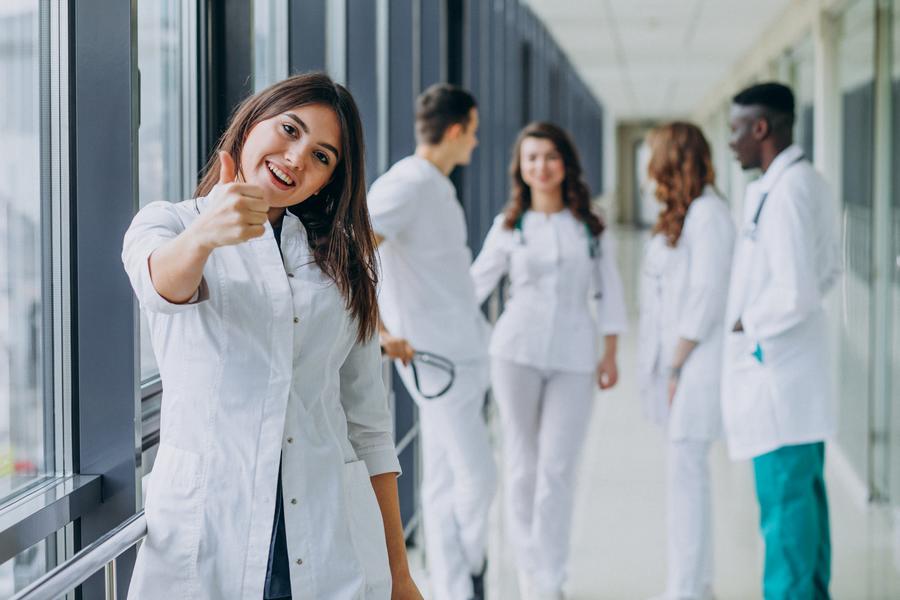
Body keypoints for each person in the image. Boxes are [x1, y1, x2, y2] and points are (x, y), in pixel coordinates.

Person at [122, 72, 421, 600]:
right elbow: (160, 284)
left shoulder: (342, 264)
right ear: (251, 123)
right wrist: (205, 236)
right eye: (289, 129)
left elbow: (369, 428)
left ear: (328, 180)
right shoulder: (168, 223)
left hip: (325, 536)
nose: (298, 156)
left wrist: (400, 576)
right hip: (211, 531)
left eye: (323, 156)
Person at [470, 122, 626, 600]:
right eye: (531, 157)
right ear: (520, 166)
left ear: (566, 164)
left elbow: (611, 293)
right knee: (521, 466)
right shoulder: (509, 225)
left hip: (576, 356)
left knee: (557, 469)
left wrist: (611, 353)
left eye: (550, 156)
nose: (541, 166)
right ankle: (529, 573)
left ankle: (551, 580)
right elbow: (473, 287)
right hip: (515, 352)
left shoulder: (590, 225)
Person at [367, 83, 496, 600]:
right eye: (475, 132)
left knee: (444, 484)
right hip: (436, 361)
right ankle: (472, 566)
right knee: (480, 477)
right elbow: (354, 250)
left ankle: (455, 588)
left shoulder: (436, 185)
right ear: (458, 128)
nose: (477, 144)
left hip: (461, 353)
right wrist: (379, 332)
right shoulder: (407, 184)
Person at [723, 82, 840, 599]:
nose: (732, 143)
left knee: (787, 518)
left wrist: (747, 323)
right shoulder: (799, 182)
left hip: (780, 386)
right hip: (792, 380)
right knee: (803, 511)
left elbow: (796, 291)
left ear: (761, 128)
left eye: (736, 130)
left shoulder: (789, 189)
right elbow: (829, 271)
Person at [638, 122, 735, 600]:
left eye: (655, 160)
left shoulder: (710, 215)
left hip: (695, 366)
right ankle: (697, 586)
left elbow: (706, 296)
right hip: (682, 365)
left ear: (674, 163)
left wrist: (675, 364)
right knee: (684, 484)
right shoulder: (690, 214)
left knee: (687, 487)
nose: (649, 171)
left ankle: (688, 591)